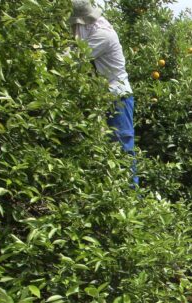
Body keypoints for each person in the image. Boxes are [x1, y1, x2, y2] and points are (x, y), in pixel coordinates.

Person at [69, 0, 138, 184]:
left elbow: (74, 58)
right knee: (105, 150)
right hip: (105, 97)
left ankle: (134, 201)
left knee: (122, 148)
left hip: (118, 98)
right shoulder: (96, 31)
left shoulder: (102, 35)